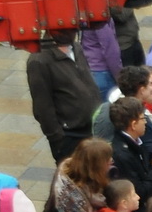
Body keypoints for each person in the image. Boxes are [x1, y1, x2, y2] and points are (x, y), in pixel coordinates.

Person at [27, 31, 101, 161]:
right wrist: (57, 137)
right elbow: (42, 107)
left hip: (92, 129)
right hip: (70, 136)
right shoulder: (39, 60)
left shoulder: (76, 47)